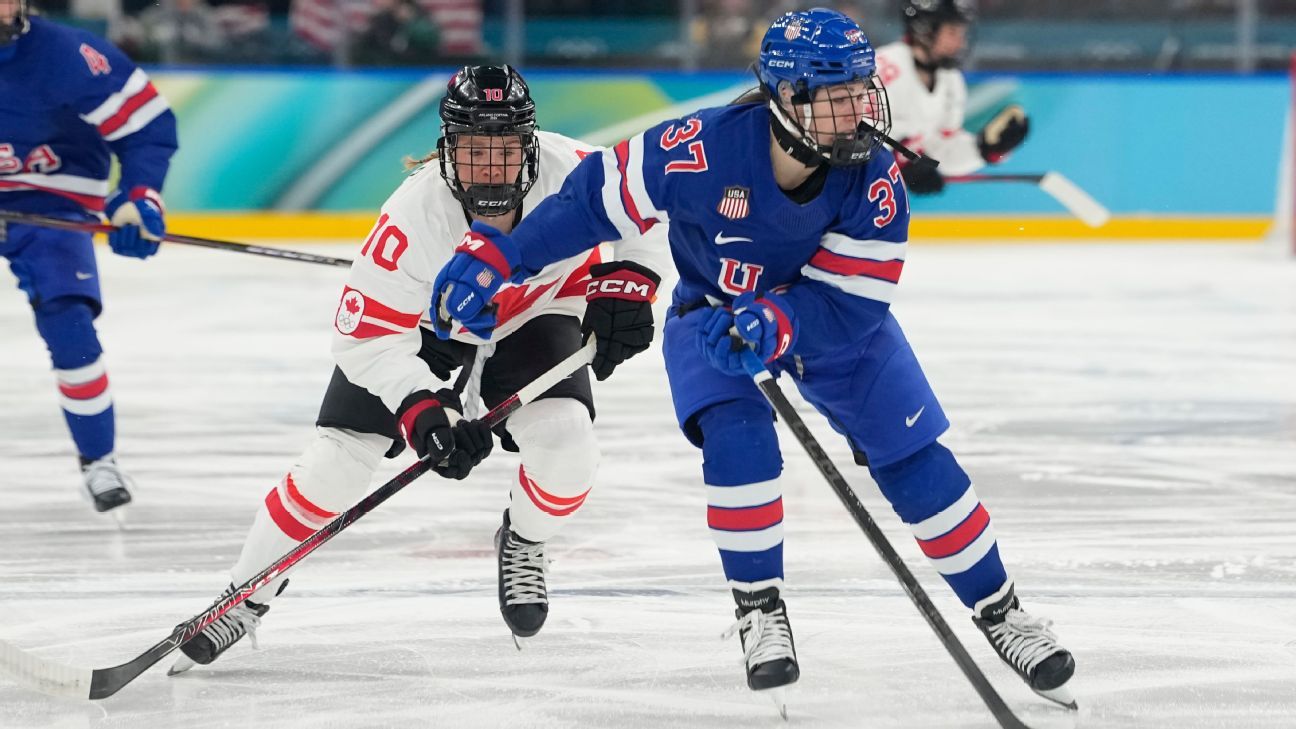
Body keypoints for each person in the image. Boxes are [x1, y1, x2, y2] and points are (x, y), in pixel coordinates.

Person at [427, 9, 1076, 709]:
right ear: (787, 97)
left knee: (916, 459)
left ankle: (1002, 609)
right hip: (711, 318)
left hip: (829, 327)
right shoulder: (697, 149)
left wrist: (780, 319)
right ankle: (760, 608)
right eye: (838, 97)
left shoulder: (875, 181)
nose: (860, 111)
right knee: (739, 447)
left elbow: (855, 302)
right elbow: (592, 201)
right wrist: (506, 253)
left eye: (863, 92)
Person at [170, 65, 669, 673]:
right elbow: (366, 340)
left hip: (540, 313)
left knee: (568, 447)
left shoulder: (577, 171)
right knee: (337, 463)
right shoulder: (414, 217)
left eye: (503, 148)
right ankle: (244, 594)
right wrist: (420, 408)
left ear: (530, 145)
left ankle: (524, 539)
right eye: (471, 148)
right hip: (432, 328)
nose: (488, 165)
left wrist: (632, 280)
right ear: (445, 149)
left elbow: (658, 204)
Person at [0, 0, 177, 514]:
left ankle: (99, 461)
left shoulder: (70, 56)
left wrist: (141, 197)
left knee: (68, 321)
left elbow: (148, 126)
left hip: (51, 201)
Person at [875, 0, 1029, 195]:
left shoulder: (950, 79)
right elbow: (852, 140)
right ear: (924, 29)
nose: (961, 42)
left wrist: (983, 149)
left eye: (962, 33)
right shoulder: (882, 69)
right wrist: (898, 161)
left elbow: (941, 151)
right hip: (855, 203)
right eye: (952, 33)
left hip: (888, 204)